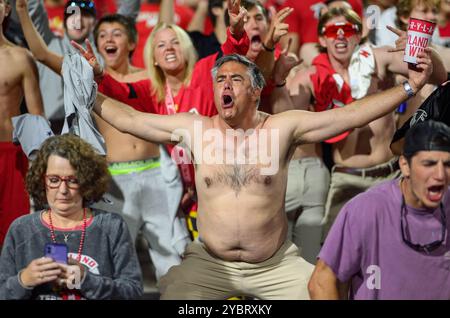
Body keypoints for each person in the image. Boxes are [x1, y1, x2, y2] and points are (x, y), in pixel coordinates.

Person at [81, 48, 432, 299]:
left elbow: (349, 116)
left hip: (275, 265)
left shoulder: (282, 128)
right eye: (219, 80)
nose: (225, 86)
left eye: (235, 79)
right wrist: (88, 89)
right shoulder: (195, 127)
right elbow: (131, 119)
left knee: (321, 292)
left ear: (255, 90)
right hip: (209, 262)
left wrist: (409, 87)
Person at [288, 7, 447, 238]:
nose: (341, 35)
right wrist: (281, 81)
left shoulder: (378, 58)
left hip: (390, 175)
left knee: (400, 245)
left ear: (358, 33)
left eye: (348, 29)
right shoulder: (312, 76)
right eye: (333, 30)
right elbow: (290, 119)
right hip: (346, 178)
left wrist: (424, 50)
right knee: (338, 259)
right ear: (322, 37)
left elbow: (438, 77)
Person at [91, 13, 190, 280]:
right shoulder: (88, 85)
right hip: (114, 182)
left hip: (157, 173)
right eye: (102, 35)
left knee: (172, 262)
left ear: (133, 43)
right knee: (111, 262)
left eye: (117, 33)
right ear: (97, 45)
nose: (109, 39)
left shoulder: (151, 78)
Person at [309, 120, 450, 300]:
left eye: (447, 164)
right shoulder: (367, 209)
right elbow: (321, 282)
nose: (440, 175)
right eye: (429, 164)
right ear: (405, 165)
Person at [0, 134, 143, 300]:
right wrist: (24, 280)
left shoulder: (111, 227)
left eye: (73, 180)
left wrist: (86, 280)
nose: (63, 190)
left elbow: (132, 293)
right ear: (41, 180)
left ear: (87, 181)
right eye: (54, 180)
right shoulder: (21, 229)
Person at [15, 0, 140, 133]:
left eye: (85, 15)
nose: (78, 20)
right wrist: (23, 7)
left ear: (95, 23)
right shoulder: (47, 43)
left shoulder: (104, 51)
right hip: (51, 132)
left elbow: (127, 14)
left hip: (95, 131)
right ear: (64, 22)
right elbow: (33, 8)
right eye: (72, 15)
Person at [0, 0, 44, 246]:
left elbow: (37, 116)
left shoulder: (21, 57)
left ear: (6, 9)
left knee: (16, 232)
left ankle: (15, 284)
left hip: (13, 156)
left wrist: (42, 165)